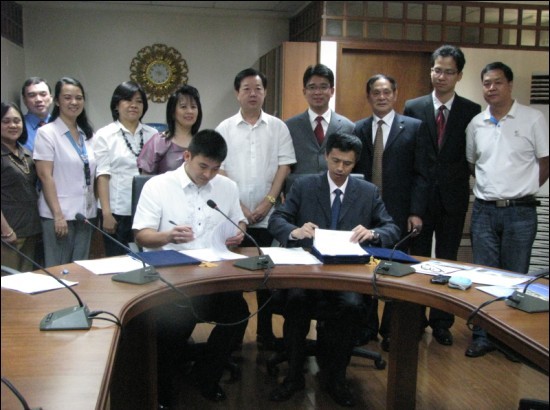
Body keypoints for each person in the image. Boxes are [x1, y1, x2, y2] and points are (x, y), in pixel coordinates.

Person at [268, 132, 400, 407]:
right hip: (307, 271)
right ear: (326, 156)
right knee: (296, 300)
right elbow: (277, 219)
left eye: (347, 163)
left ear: (355, 163)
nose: (340, 168)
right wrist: (295, 231)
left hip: (346, 275)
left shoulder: (368, 192)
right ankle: (293, 376)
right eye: (335, 161)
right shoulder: (304, 185)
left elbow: (391, 228)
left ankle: (336, 378)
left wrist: (373, 233)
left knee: (352, 306)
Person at [132, 129, 250, 404]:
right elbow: (141, 235)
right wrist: (167, 236)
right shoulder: (158, 186)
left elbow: (240, 220)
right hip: (172, 279)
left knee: (238, 314)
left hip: (214, 276)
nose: (208, 175)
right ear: (187, 156)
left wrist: (240, 232)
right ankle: (163, 388)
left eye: (215, 168)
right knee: (175, 325)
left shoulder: (227, 187)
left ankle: (207, 376)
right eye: (203, 166)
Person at [465, 62, 549, 358]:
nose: (491, 88)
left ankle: (511, 339)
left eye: (498, 82)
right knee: (484, 276)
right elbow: (473, 164)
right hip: (484, 211)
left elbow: (545, 162)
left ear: (510, 85)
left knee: (515, 277)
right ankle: (482, 335)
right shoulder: (476, 123)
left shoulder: (532, 118)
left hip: (520, 212)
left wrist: (521, 189)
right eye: (487, 83)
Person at [404, 45, 482, 347]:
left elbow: (471, 157)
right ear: (431, 71)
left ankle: (441, 322)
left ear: (459, 75)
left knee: (448, 261)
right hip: (420, 200)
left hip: (453, 199)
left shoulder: (471, 111)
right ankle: (415, 319)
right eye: (437, 70)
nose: (442, 76)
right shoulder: (414, 107)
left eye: (449, 72)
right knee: (419, 261)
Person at [216, 68, 296, 349]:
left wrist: (268, 202)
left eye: (258, 89)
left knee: (266, 274)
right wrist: (238, 207)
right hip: (232, 216)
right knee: (233, 275)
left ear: (265, 93)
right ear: (237, 93)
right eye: (247, 89)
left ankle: (265, 332)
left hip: (268, 215)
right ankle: (233, 335)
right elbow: (219, 171)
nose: (253, 93)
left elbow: (284, 166)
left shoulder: (278, 127)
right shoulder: (224, 128)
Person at [353, 74, 430, 351]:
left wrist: (416, 211)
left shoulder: (414, 128)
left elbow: (422, 174)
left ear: (395, 95)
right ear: (368, 96)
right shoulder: (358, 128)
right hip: (365, 213)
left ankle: (392, 330)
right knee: (365, 268)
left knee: (396, 271)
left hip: (400, 212)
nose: (382, 97)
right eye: (376, 92)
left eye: (386, 92)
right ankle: (366, 327)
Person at [33, 77, 96, 267]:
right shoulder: (47, 133)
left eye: (79, 98)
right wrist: (58, 215)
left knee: (81, 269)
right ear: (57, 101)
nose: (74, 102)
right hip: (59, 215)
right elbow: (45, 176)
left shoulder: (87, 134)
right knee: (59, 270)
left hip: (85, 214)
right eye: (67, 97)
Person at [93, 81, 157, 256]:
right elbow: (102, 175)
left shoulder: (153, 135)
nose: (134, 105)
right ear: (116, 105)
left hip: (146, 210)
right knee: (117, 261)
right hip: (117, 211)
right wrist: (106, 213)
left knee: (146, 259)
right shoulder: (105, 135)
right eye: (128, 100)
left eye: (139, 101)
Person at [285, 63, 355, 175]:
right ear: (304, 92)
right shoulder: (289, 126)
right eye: (312, 87)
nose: (317, 92)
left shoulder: (348, 127)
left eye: (323, 87)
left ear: (332, 91)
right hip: (300, 185)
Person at [1, 102, 42, 271]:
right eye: (6, 121)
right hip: (8, 233)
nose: (13, 125)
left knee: (25, 280)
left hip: (30, 229)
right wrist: (6, 230)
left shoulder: (26, 153)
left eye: (17, 121)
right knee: (8, 282)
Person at [138, 84, 202, 175]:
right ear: (172, 112)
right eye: (183, 107)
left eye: (193, 107)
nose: (190, 111)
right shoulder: (158, 142)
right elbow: (145, 178)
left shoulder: (203, 143)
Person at [21, 77, 53, 152]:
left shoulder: (62, 125)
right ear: (24, 100)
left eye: (43, 94)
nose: (38, 99)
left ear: (51, 98)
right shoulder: (18, 128)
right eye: (32, 95)